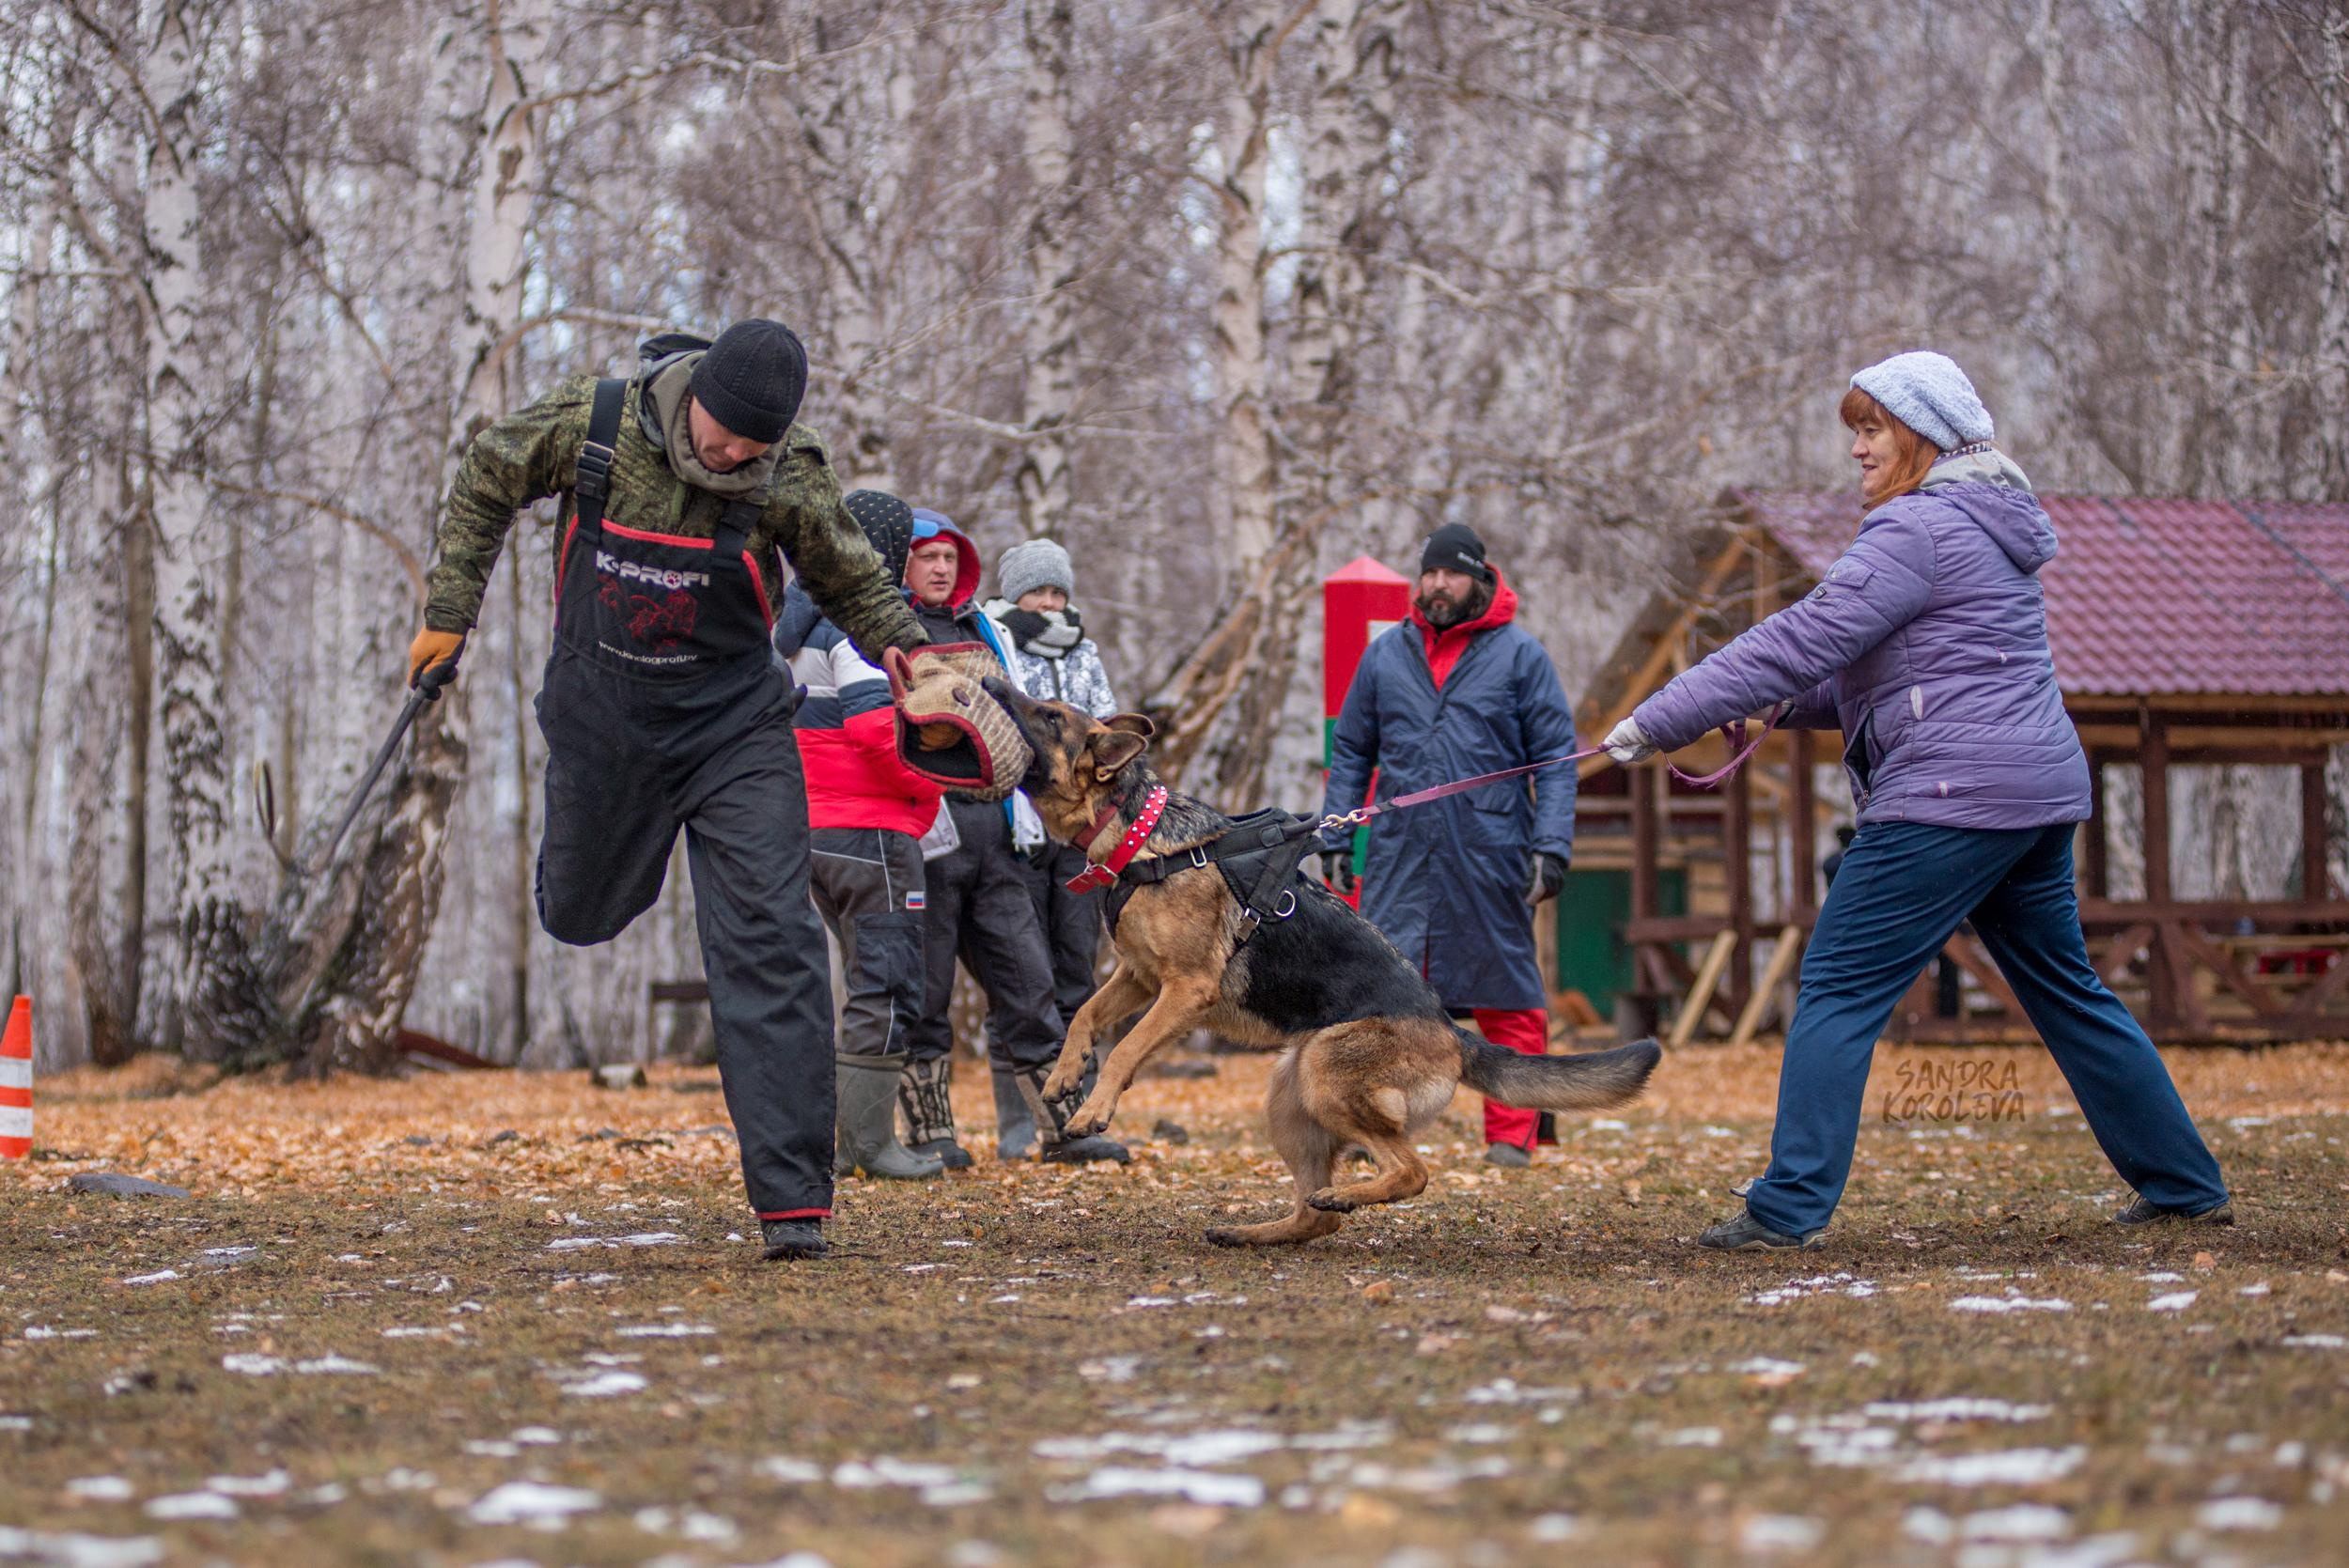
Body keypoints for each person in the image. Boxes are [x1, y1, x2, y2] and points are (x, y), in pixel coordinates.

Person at [1605, 350, 2232, 1250]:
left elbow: (1805, 635)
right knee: (2067, 988)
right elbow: (1894, 676)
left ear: (1924, 437)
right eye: (1854, 432)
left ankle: (1787, 1209)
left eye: (1871, 430)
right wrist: (1767, 705)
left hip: (1948, 794)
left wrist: (1664, 715)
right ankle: (2183, 1183)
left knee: (1835, 987)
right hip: (2033, 790)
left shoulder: (1916, 530)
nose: (1857, 450)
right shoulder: (1985, 525)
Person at [409, 321, 928, 1263]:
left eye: (751, 448)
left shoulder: (789, 471)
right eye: (721, 435)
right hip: (604, 720)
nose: (731, 456)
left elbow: (845, 566)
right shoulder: (594, 421)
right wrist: (451, 614)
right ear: (688, 396)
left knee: (772, 936)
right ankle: (609, 860)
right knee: (578, 911)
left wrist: (901, 641)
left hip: (733, 727)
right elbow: (488, 472)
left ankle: (793, 1205)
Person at [1315, 523, 1579, 1167]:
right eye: (1428, 573)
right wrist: (1335, 828)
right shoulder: (1385, 656)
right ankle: (1367, 1126)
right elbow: (1352, 747)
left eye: (1450, 573)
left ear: (1480, 577)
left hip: (1491, 851)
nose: (1436, 584)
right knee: (1378, 998)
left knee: (1507, 993)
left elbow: (1558, 757)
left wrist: (1552, 845)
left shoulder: (1521, 655)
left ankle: (1511, 1133)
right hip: (1401, 854)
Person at [897, 509, 1129, 1167]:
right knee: (926, 989)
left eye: (949, 556)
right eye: (926, 556)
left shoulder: (984, 629)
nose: (941, 567)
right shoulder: (891, 632)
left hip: (999, 832)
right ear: (903, 564)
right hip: (929, 831)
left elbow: (1025, 728)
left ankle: (1065, 1126)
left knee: (1031, 986)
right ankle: (928, 1132)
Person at [774, 489, 947, 1182]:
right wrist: (932, 782)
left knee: (850, 979)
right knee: (886, 980)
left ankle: (846, 1140)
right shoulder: (856, 629)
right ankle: (869, 1144)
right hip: (871, 826)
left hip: (811, 824)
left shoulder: (796, 622)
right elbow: (874, 728)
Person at [983, 537, 1120, 1029]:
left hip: (1079, 830)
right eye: (1036, 591)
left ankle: (1077, 1076)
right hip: (1017, 826)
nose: (1048, 603)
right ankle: (1024, 1076)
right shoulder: (995, 645)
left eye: (1057, 593)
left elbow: (1103, 720)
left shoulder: (1083, 650)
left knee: (1076, 954)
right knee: (1021, 964)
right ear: (1014, 594)